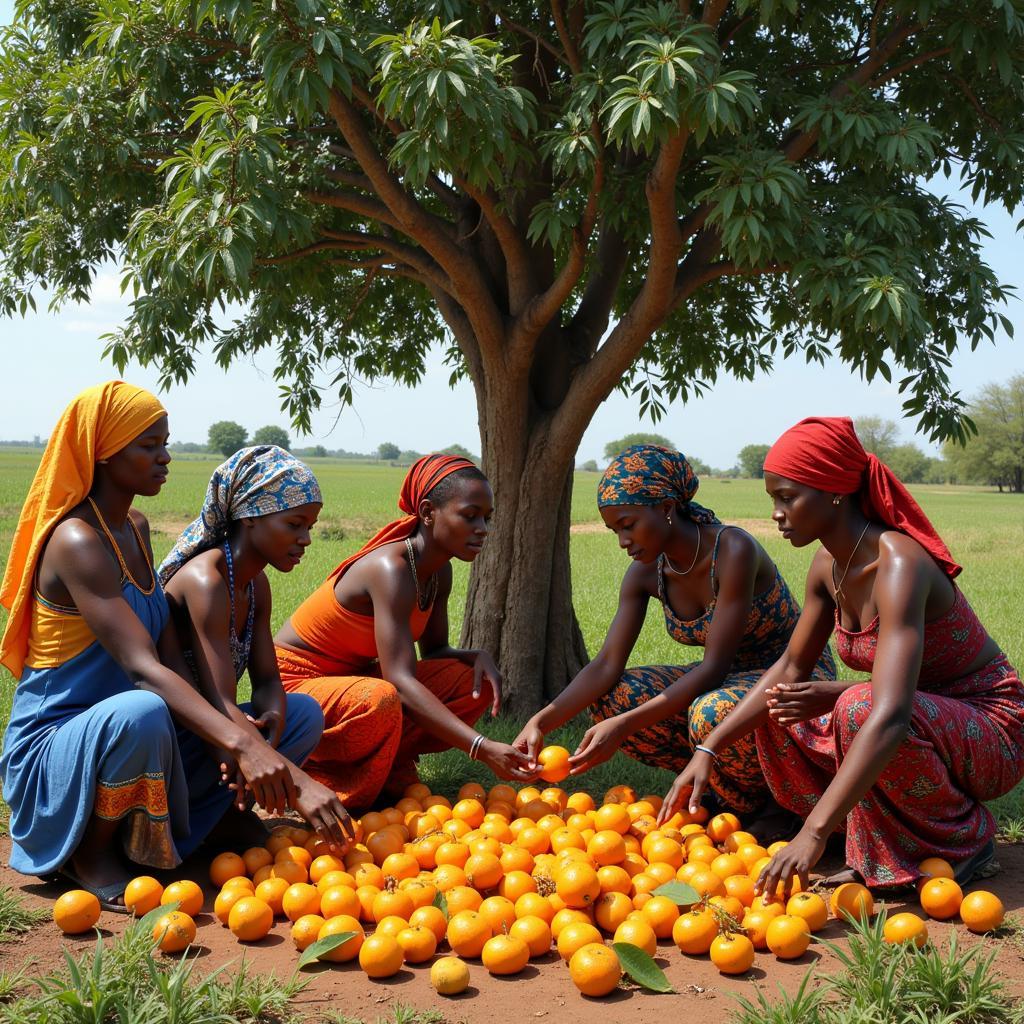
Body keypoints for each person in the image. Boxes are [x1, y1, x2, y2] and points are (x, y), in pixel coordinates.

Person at [0, 383, 349, 909]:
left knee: (294, 717)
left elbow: (170, 664)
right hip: (60, 747)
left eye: (165, 442)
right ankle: (90, 855)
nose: (165, 457)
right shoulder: (76, 541)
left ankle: (206, 828)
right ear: (102, 448)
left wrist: (236, 741)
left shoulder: (135, 528)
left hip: (139, 730)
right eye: (148, 446)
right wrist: (246, 748)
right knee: (144, 710)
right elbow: (141, 669)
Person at [659, 417, 1024, 892]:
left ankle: (962, 841)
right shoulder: (827, 565)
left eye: (788, 497)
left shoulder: (899, 563)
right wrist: (709, 748)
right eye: (774, 498)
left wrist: (807, 834)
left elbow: (890, 712)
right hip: (917, 712)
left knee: (859, 708)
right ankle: (854, 836)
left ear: (834, 491)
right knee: (781, 702)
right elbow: (790, 667)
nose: (776, 513)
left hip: (991, 729)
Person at [514, 444, 835, 828]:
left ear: (667, 509)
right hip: (729, 680)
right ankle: (714, 786)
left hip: (790, 675)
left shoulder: (732, 549)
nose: (622, 541)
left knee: (711, 711)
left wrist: (625, 726)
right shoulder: (646, 573)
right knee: (617, 696)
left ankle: (771, 807)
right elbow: (605, 665)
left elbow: (714, 668)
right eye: (615, 529)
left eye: (629, 524)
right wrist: (541, 722)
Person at [275, 453, 533, 809]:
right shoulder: (390, 569)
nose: (482, 529)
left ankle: (389, 761)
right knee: (380, 698)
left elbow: (435, 652)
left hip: (356, 679)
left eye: (486, 518)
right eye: (469, 516)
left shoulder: (438, 571)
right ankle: (329, 778)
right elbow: (399, 680)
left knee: (470, 681)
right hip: (295, 685)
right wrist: (480, 747)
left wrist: (476, 656)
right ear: (428, 513)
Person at [158, 445, 354, 847]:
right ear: (250, 516)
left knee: (303, 715)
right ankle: (194, 822)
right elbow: (216, 699)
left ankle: (224, 813)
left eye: (310, 527)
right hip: (173, 739)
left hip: (218, 732)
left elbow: (267, 678)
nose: (306, 539)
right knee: (244, 735)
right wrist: (296, 781)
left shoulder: (253, 583)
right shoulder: (205, 582)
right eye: (295, 524)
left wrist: (272, 719)